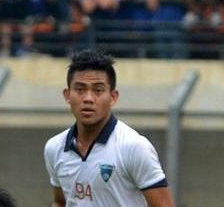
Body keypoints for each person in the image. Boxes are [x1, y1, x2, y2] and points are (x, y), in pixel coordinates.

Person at [44, 49, 174, 207]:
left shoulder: (134, 147)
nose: (88, 98)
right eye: (80, 89)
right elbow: (60, 202)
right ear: (67, 95)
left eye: (98, 90)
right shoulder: (54, 148)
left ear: (113, 97)